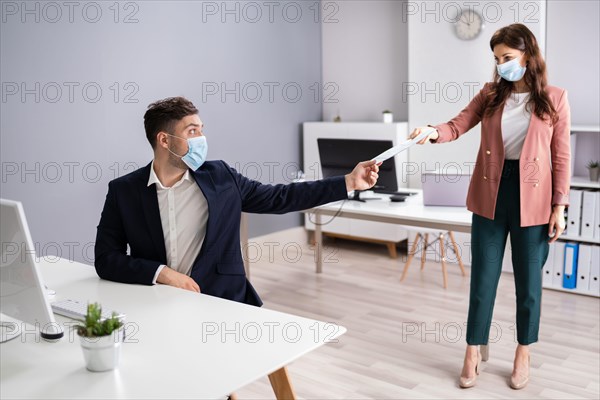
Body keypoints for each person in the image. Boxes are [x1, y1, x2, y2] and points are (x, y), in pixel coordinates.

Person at [94, 96, 379, 307]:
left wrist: (349, 182)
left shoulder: (221, 177)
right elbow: (106, 259)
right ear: (164, 140)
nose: (202, 138)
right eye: (192, 131)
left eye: (201, 129)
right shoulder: (124, 191)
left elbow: (280, 197)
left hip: (221, 300)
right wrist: (163, 274)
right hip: (157, 301)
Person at [410, 24, 570, 390]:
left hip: (535, 199)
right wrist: (432, 131)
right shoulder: (490, 95)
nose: (501, 66)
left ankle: (523, 351)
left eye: (507, 58)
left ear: (528, 55)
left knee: (529, 284)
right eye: (497, 59)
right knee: (483, 280)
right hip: (490, 194)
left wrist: (559, 206)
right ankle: (471, 350)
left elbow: (561, 156)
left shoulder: (555, 98)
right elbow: (457, 124)